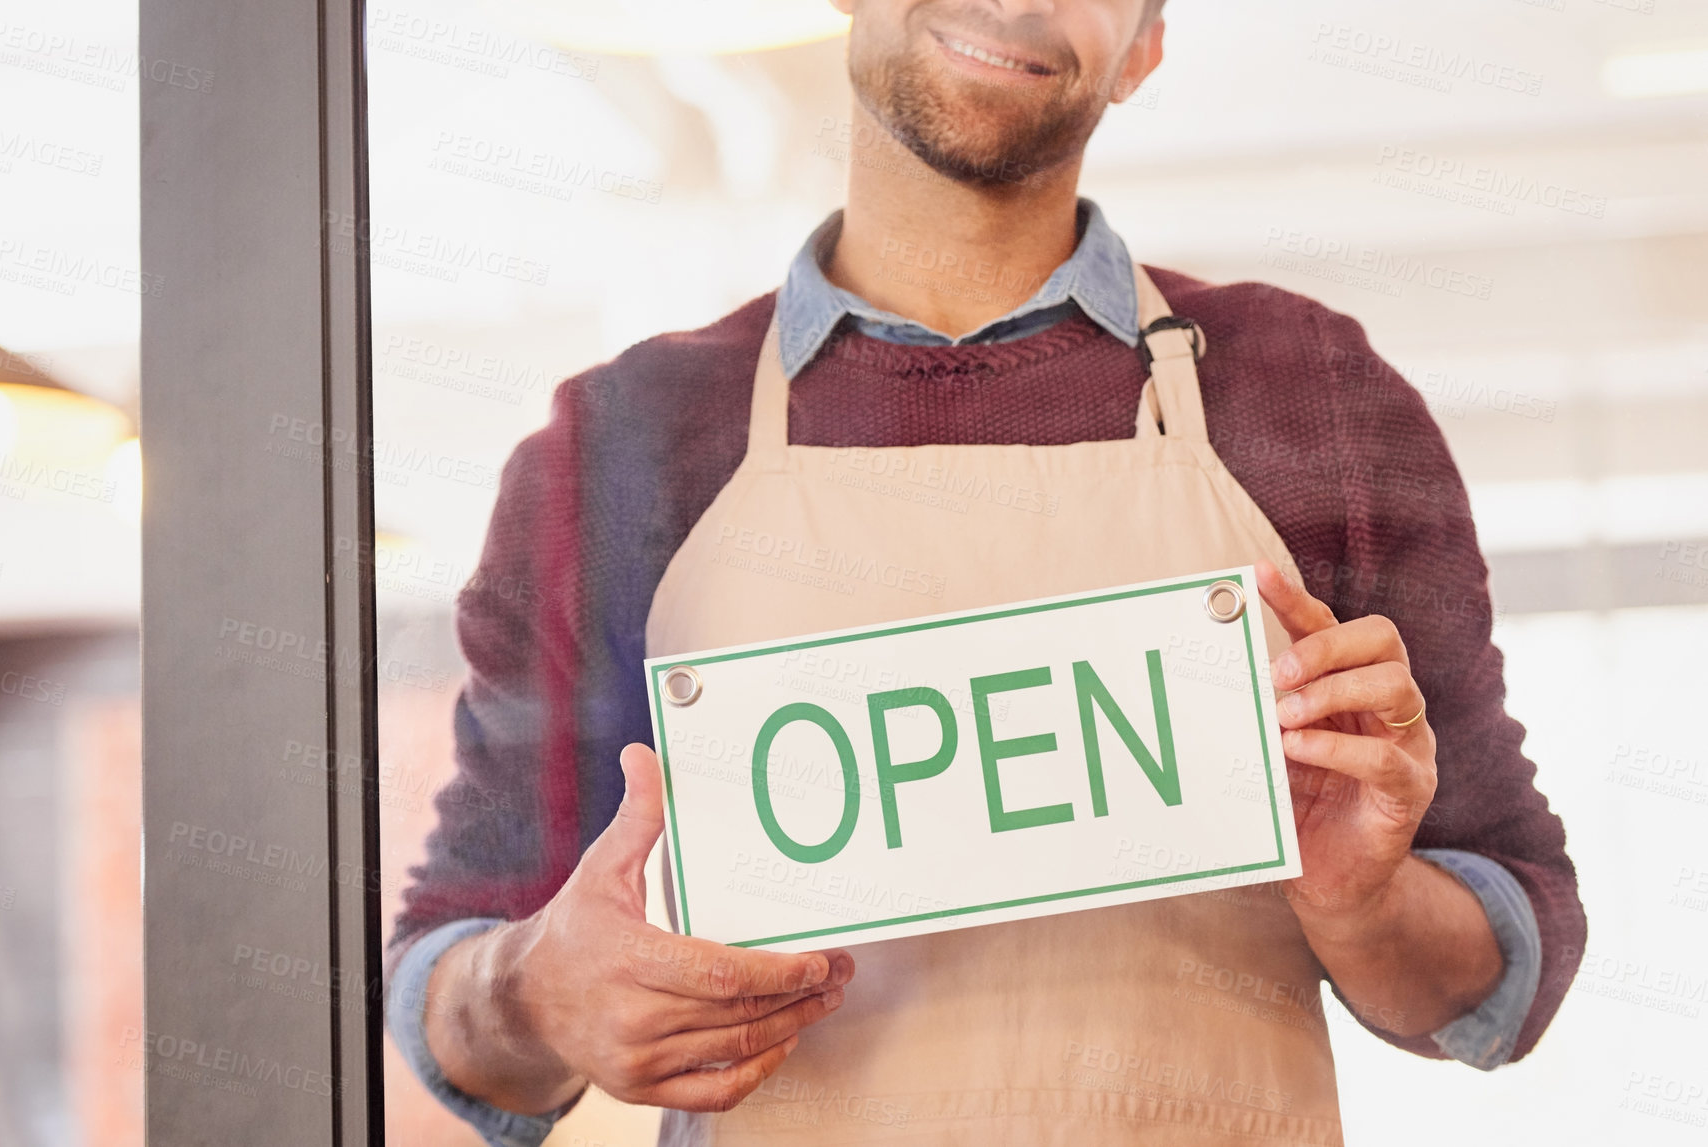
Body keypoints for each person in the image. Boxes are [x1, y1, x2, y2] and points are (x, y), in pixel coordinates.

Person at [384, 2, 1585, 1144]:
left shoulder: (1309, 392)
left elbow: (1506, 952)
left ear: (1142, 50)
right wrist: (539, 992)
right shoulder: (621, 442)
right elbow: (457, 971)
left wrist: (1367, 903)